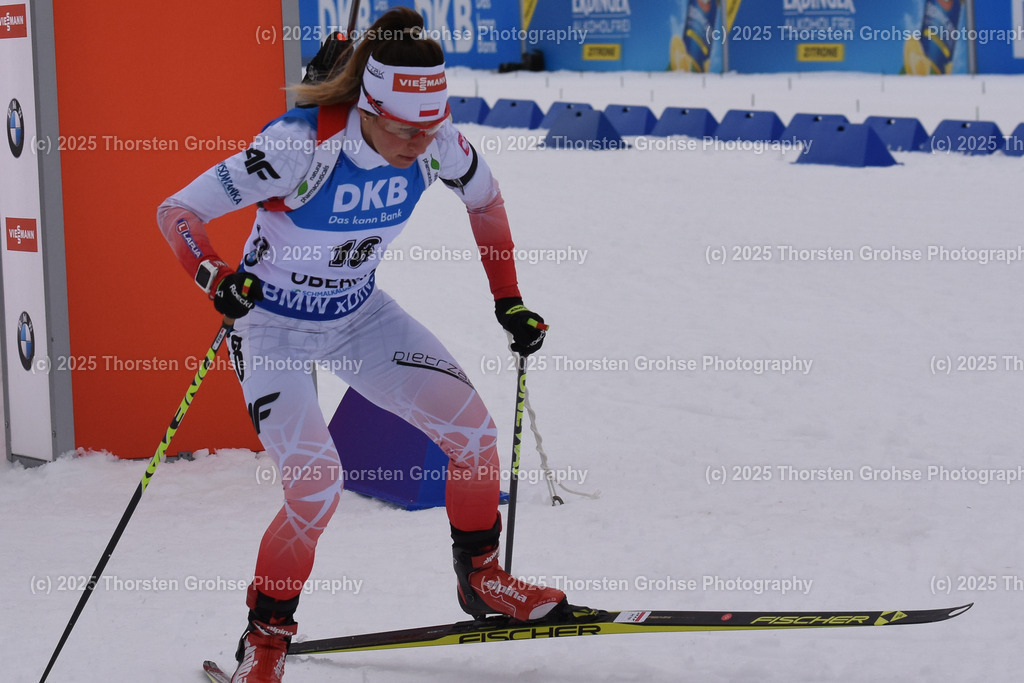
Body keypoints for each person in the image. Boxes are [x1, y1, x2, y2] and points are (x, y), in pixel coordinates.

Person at [157, 8, 568, 683]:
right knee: (316, 485)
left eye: (427, 126)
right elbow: (177, 210)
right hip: (273, 327)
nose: (417, 142)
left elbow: (487, 203)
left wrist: (509, 300)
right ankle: (265, 637)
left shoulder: (437, 140)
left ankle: (482, 577)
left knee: (474, 436)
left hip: (358, 314)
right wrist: (214, 273)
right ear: (366, 106)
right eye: (402, 128)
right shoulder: (298, 146)